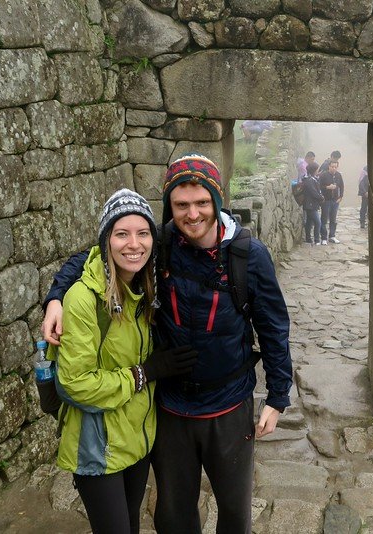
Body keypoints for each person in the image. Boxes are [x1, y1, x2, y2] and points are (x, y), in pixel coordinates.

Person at [42, 155, 293, 534]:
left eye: (202, 203)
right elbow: (91, 258)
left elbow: (273, 327)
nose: (192, 214)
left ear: (216, 201)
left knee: (235, 513)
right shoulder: (158, 244)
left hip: (229, 404)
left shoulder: (247, 256)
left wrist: (277, 397)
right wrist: (56, 298)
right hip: (171, 407)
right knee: (174, 515)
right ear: (169, 207)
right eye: (181, 205)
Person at [55, 189, 199, 534]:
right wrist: (145, 373)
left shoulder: (143, 291)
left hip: (136, 440)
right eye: (121, 234)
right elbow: (74, 384)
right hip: (98, 447)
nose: (134, 244)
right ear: (107, 241)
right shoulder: (83, 300)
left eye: (143, 233)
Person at [318, 159, 344, 245]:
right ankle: (324, 237)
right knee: (324, 219)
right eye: (332, 167)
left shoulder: (338, 175)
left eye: (335, 167)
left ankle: (332, 236)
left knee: (333, 219)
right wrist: (327, 187)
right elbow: (318, 187)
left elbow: (342, 186)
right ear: (329, 166)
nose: (334, 168)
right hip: (326, 200)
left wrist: (340, 197)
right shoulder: (323, 175)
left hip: (335, 200)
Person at [301, 161, 324, 245]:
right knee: (317, 222)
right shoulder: (310, 180)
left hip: (310, 204)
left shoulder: (310, 179)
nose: (318, 171)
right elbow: (313, 192)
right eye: (317, 169)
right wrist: (321, 197)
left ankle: (308, 238)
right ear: (314, 170)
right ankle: (317, 240)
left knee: (309, 222)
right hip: (310, 204)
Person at [358, 165, 369, 229]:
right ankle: (362, 222)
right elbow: (361, 182)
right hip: (365, 194)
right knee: (364, 208)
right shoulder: (365, 170)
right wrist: (365, 192)